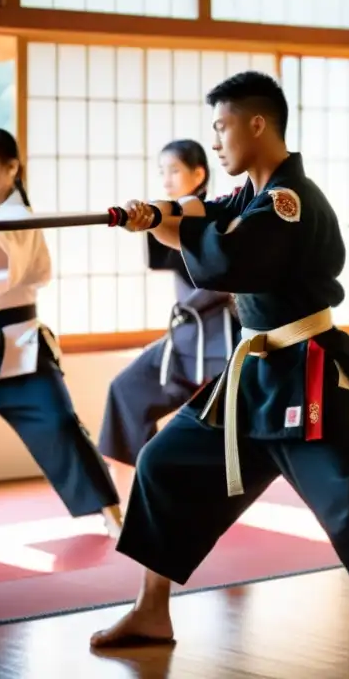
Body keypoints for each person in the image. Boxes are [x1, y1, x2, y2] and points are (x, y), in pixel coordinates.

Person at [88, 72, 349, 675]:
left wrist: (166, 222)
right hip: (250, 377)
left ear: (257, 124)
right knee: (163, 464)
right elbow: (201, 217)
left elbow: (228, 256)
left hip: (308, 374)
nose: (216, 142)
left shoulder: (286, 199)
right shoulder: (250, 195)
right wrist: (154, 216)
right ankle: (152, 608)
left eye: (222, 127)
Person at [0, 128, 122, 537]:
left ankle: (113, 517)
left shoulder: (23, 219)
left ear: (12, 167)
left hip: (21, 352)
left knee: (61, 426)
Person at [97, 140, 238, 467]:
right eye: (163, 172)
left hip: (224, 342)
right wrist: (147, 217)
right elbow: (163, 252)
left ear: (199, 173)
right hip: (185, 339)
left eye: (174, 171)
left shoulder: (220, 214)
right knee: (126, 390)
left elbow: (219, 276)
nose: (167, 179)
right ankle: (133, 493)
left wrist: (160, 218)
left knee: (225, 425)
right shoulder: (170, 215)